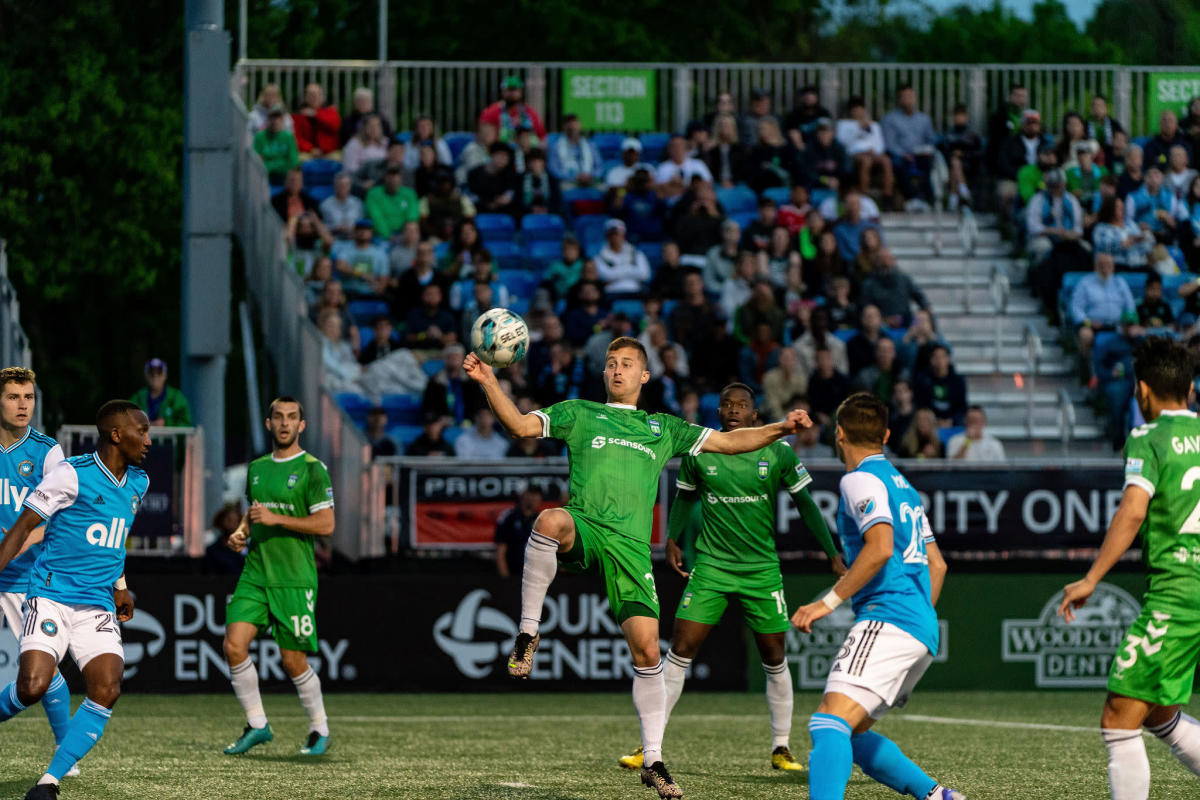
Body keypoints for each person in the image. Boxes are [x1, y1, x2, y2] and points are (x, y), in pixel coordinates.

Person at [464, 336, 814, 799]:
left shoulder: (662, 427)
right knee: (549, 519)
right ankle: (529, 631)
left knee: (649, 654)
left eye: (627, 364)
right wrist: (490, 380)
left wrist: (780, 428)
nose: (617, 370)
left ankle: (653, 760)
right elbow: (521, 427)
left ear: (644, 376)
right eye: (611, 363)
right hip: (586, 527)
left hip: (631, 550)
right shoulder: (579, 412)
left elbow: (731, 442)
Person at [617, 382, 844, 773]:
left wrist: (833, 554)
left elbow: (806, 503)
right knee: (680, 650)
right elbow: (686, 496)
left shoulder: (777, 451)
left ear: (755, 415)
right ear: (719, 413)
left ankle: (781, 746)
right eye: (727, 405)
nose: (734, 409)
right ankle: (649, 745)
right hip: (712, 567)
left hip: (760, 569)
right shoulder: (699, 450)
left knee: (775, 656)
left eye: (742, 405)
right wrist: (672, 538)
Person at [791, 393, 961, 800]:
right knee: (853, 733)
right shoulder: (904, 486)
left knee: (828, 722)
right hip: (918, 624)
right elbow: (938, 565)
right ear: (885, 434)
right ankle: (938, 796)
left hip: (890, 616)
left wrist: (826, 602)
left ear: (840, 433)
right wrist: (918, 631)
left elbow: (880, 546)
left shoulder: (858, 479)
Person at [1058, 336, 1200, 800]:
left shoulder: (1147, 437)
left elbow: (1133, 510)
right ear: (1191, 389)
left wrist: (1092, 578)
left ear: (1141, 390)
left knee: (1119, 716)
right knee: (1159, 711)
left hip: (1178, 591)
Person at [0, 400, 149, 797]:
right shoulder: (70, 474)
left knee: (106, 689)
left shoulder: (139, 482)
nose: (148, 440)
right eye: (142, 431)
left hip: (96, 605)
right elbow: (24, 525)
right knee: (32, 686)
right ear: (117, 434)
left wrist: (119, 586)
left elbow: (112, 542)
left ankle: (48, 782)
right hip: (50, 595)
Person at [220, 397, 334, 757]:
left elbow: (327, 524)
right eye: (278, 417)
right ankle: (257, 724)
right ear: (268, 423)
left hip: (294, 578)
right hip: (255, 573)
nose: (285, 423)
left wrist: (276, 519)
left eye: (292, 418)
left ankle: (320, 729)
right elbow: (253, 515)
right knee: (233, 645)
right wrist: (241, 533)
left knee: (292, 660)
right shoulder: (256, 469)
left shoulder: (314, 470)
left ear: (302, 425)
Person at [0, 369, 73, 768]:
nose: (23, 404)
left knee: (42, 668)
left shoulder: (47, 452)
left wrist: (20, 543)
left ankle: (67, 753)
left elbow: (62, 513)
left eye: (28, 396)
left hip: (24, 577)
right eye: (13, 397)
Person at [1070, 252, 1137, 368]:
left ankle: (1128, 371)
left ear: (1113, 267)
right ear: (1095, 266)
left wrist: (1128, 322)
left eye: (1108, 265)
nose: (1105, 269)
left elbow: (1130, 306)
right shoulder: (1085, 283)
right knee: (1085, 335)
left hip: (1118, 325)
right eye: (1102, 265)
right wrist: (1088, 322)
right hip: (1093, 325)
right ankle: (1090, 372)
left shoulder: (1120, 282)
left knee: (1136, 332)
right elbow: (1076, 307)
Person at [881, 84, 938, 204]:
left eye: (910, 96)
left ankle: (930, 199)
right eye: (905, 97)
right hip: (900, 157)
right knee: (897, 165)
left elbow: (931, 139)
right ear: (899, 99)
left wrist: (928, 150)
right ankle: (915, 197)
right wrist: (903, 154)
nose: (908, 99)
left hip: (922, 156)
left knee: (930, 163)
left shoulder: (924, 119)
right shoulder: (890, 119)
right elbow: (889, 144)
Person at [837, 97, 893, 201]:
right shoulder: (844, 124)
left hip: (873, 153)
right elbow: (842, 143)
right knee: (866, 161)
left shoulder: (874, 125)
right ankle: (864, 195)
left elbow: (880, 144)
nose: (858, 112)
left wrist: (874, 151)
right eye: (855, 110)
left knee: (887, 161)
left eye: (860, 109)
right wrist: (859, 129)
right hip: (854, 154)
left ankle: (887, 195)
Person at [858, 250, 930, 329]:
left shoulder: (904, 279)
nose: (885, 262)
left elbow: (920, 297)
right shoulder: (869, 284)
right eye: (881, 259)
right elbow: (865, 306)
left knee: (924, 318)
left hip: (905, 321)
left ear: (893, 261)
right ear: (876, 262)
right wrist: (884, 320)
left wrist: (925, 308)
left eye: (888, 259)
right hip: (880, 324)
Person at [478, 75, 546, 143]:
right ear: (503, 91)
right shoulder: (492, 111)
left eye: (514, 89)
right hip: (501, 150)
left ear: (520, 92)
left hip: (528, 151)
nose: (511, 93)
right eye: (509, 90)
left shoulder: (529, 112)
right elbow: (485, 135)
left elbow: (542, 136)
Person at [594, 219, 651, 299]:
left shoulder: (636, 253)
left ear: (624, 235)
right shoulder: (599, 256)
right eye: (613, 234)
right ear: (607, 236)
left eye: (619, 234)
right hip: (611, 294)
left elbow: (645, 274)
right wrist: (631, 270)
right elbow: (605, 275)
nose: (617, 237)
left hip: (635, 292)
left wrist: (615, 272)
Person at [494, 486, 543, 578]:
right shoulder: (509, 517)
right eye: (531, 494)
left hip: (535, 577)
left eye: (537, 495)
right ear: (523, 496)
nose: (534, 498)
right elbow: (500, 550)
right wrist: (505, 578)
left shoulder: (542, 520)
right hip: (512, 573)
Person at [914, 345, 967, 428]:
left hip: (953, 420)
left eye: (943, 357)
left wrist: (951, 420)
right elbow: (921, 404)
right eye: (936, 357)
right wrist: (934, 419)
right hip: (930, 419)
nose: (940, 360)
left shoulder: (958, 380)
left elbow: (962, 406)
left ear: (948, 359)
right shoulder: (923, 380)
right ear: (931, 360)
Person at [130, 358, 193, 427]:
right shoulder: (138, 397)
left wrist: (166, 424)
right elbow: (126, 419)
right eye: (151, 372)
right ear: (146, 375)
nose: (155, 375)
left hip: (168, 438)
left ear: (165, 375)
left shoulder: (176, 397)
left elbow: (186, 423)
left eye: (159, 372)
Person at [365, 165, 420, 240]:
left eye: (396, 175)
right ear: (385, 177)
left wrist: (405, 235)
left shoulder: (410, 194)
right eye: (390, 175)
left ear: (400, 178)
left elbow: (412, 217)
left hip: (405, 236)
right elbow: (376, 218)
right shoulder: (373, 194)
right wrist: (388, 236)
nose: (393, 179)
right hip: (381, 236)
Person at [549, 114, 601, 189]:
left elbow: (599, 167)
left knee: (605, 188)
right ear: (564, 127)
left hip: (590, 180)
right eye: (569, 126)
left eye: (575, 125)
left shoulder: (590, 145)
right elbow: (554, 170)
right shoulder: (556, 147)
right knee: (560, 188)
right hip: (568, 182)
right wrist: (573, 177)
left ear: (579, 126)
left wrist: (590, 176)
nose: (572, 128)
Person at [468, 142, 520, 216]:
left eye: (506, 157)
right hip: (480, 210)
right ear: (491, 155)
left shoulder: (509, 175)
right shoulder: (475, 174)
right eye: (500, 155)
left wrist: (504, 200)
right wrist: (488, 203)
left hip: (503, 211)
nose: (503, 159)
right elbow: (472, 196)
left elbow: (510, 194)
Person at [291, 83, 341, 157]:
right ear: (306, 97)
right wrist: (311, 149)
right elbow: (296, 138)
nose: (314, 97)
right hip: (307, 153)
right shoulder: (298, 115)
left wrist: (316, 114)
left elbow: (335, 125)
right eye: (311, 94)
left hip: (330, 152)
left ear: (322, 97)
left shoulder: (331, 111)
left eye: (318, 94)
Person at [253, 108, 300, 184]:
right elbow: (256, 160)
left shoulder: (289, 137)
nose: (275, 121)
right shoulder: (260, 137)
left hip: (284, 177)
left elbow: (294, 161)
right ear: (267, 120)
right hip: (264, 177)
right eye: (272, 118)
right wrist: (280, 164)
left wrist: (270, 166)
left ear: (283, 120)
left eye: (278, 117)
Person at [703, 113, 748, 188]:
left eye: (727, 125)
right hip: (716, 183)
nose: (724, 128)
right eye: (721, 125)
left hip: (737, 183)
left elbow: (743, 170)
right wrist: (705, 152)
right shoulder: (712, 149)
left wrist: (732, 182)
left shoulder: (740, 148)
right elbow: (707, 170)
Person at [319, 173, 364, 240]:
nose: (343, 187)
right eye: (340, 185)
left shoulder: (358, 203)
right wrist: (335, 228)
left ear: (350, 186)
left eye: (346, 185)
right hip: (333, 239)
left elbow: (363, 224)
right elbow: (321, 226)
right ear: (334, 186)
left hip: (355, 240)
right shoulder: (325, 205)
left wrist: (354, 228)